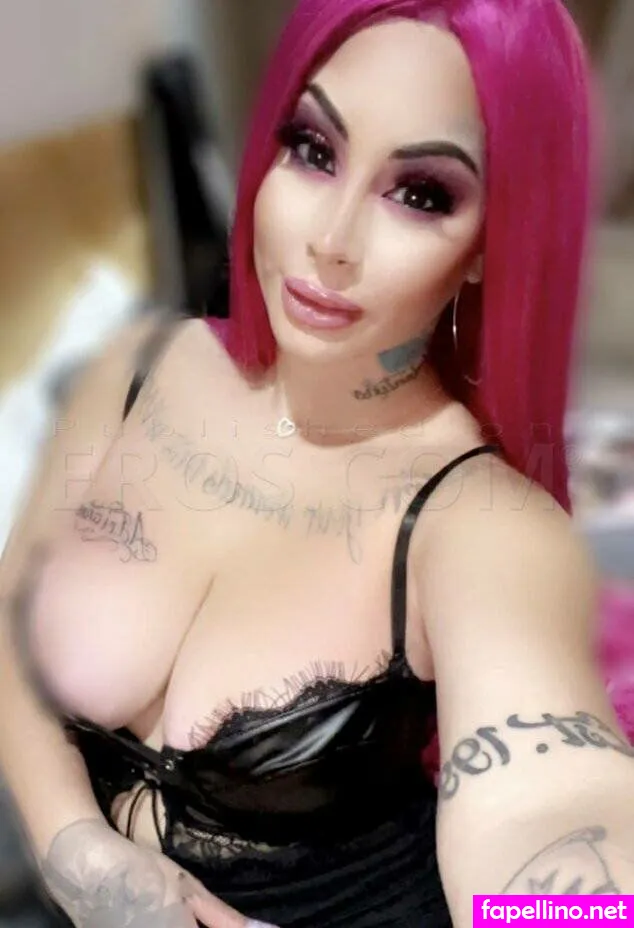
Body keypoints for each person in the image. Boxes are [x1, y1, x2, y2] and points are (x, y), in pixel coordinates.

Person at [1, 1, 633, 927]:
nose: (331, 240)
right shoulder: (140, 369)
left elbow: (553, 828)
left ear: (489, 244)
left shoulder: (483, 526)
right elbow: (14, 618)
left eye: (420, 194)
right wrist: (80, 856)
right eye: (313, 149)